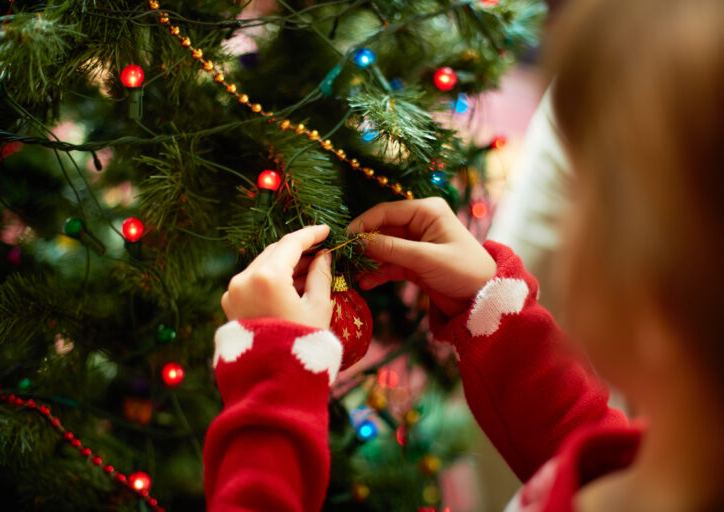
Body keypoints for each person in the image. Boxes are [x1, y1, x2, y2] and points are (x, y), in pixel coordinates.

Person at [203, 0, 724, 510]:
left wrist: (273, 385)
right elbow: (587, 450)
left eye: (586, 193)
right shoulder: (667, 468)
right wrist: (492, 307)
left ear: (660, 292)